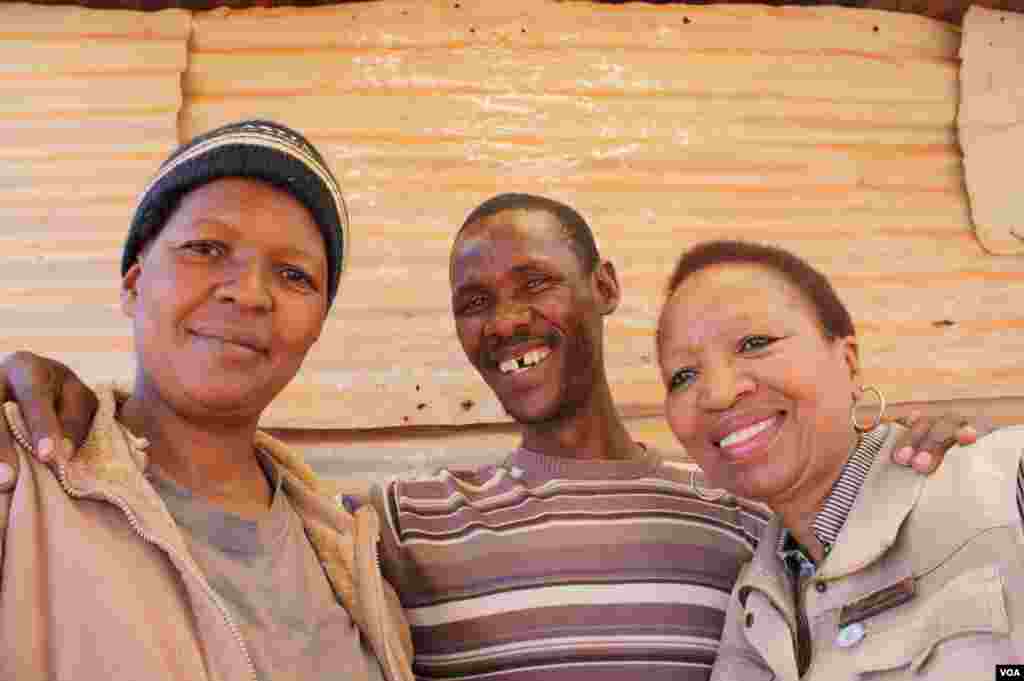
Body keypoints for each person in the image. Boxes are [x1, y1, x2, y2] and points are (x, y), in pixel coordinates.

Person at [1, 195, 987, 680]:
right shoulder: (392, 524)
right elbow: (215, 518)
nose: (506, 321)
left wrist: (930, 448)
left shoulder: (738, 516)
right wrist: (52, 393)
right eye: (476, 303)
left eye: (536, 286)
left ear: (602, 289)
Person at [0, 120, 413, 681]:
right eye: (206, 249)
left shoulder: (356, 557)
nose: (247, 292)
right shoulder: (23, 481)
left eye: (293, 275)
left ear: (316, 326)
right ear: (133, 284)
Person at [656, 239, 1024, 680]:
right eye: (684, 375)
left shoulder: (1002, 483)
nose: (717, 393)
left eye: (755, 343)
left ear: (848, 363)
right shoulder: (752, 610)